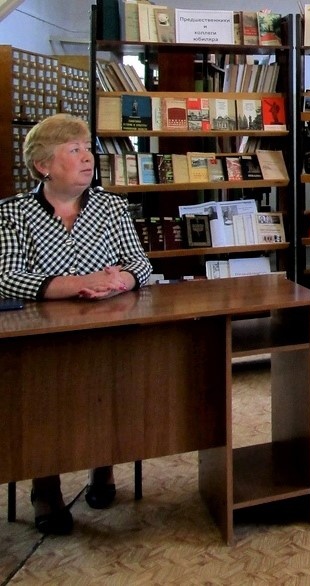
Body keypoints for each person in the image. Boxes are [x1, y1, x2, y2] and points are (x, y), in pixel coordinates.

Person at [0, 113, 153, 534]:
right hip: (41, 335)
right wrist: (79, 283)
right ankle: (45, 486)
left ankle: (102, 468)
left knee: (111, 386)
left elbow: (140, 263)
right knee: (41, 396)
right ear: (43, 165)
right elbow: (6, 277)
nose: (88, 158)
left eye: (88, 149)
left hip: (107, 325)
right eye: (74, 150)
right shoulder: (13, 213)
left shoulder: (111, 206)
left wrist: (120, 281)